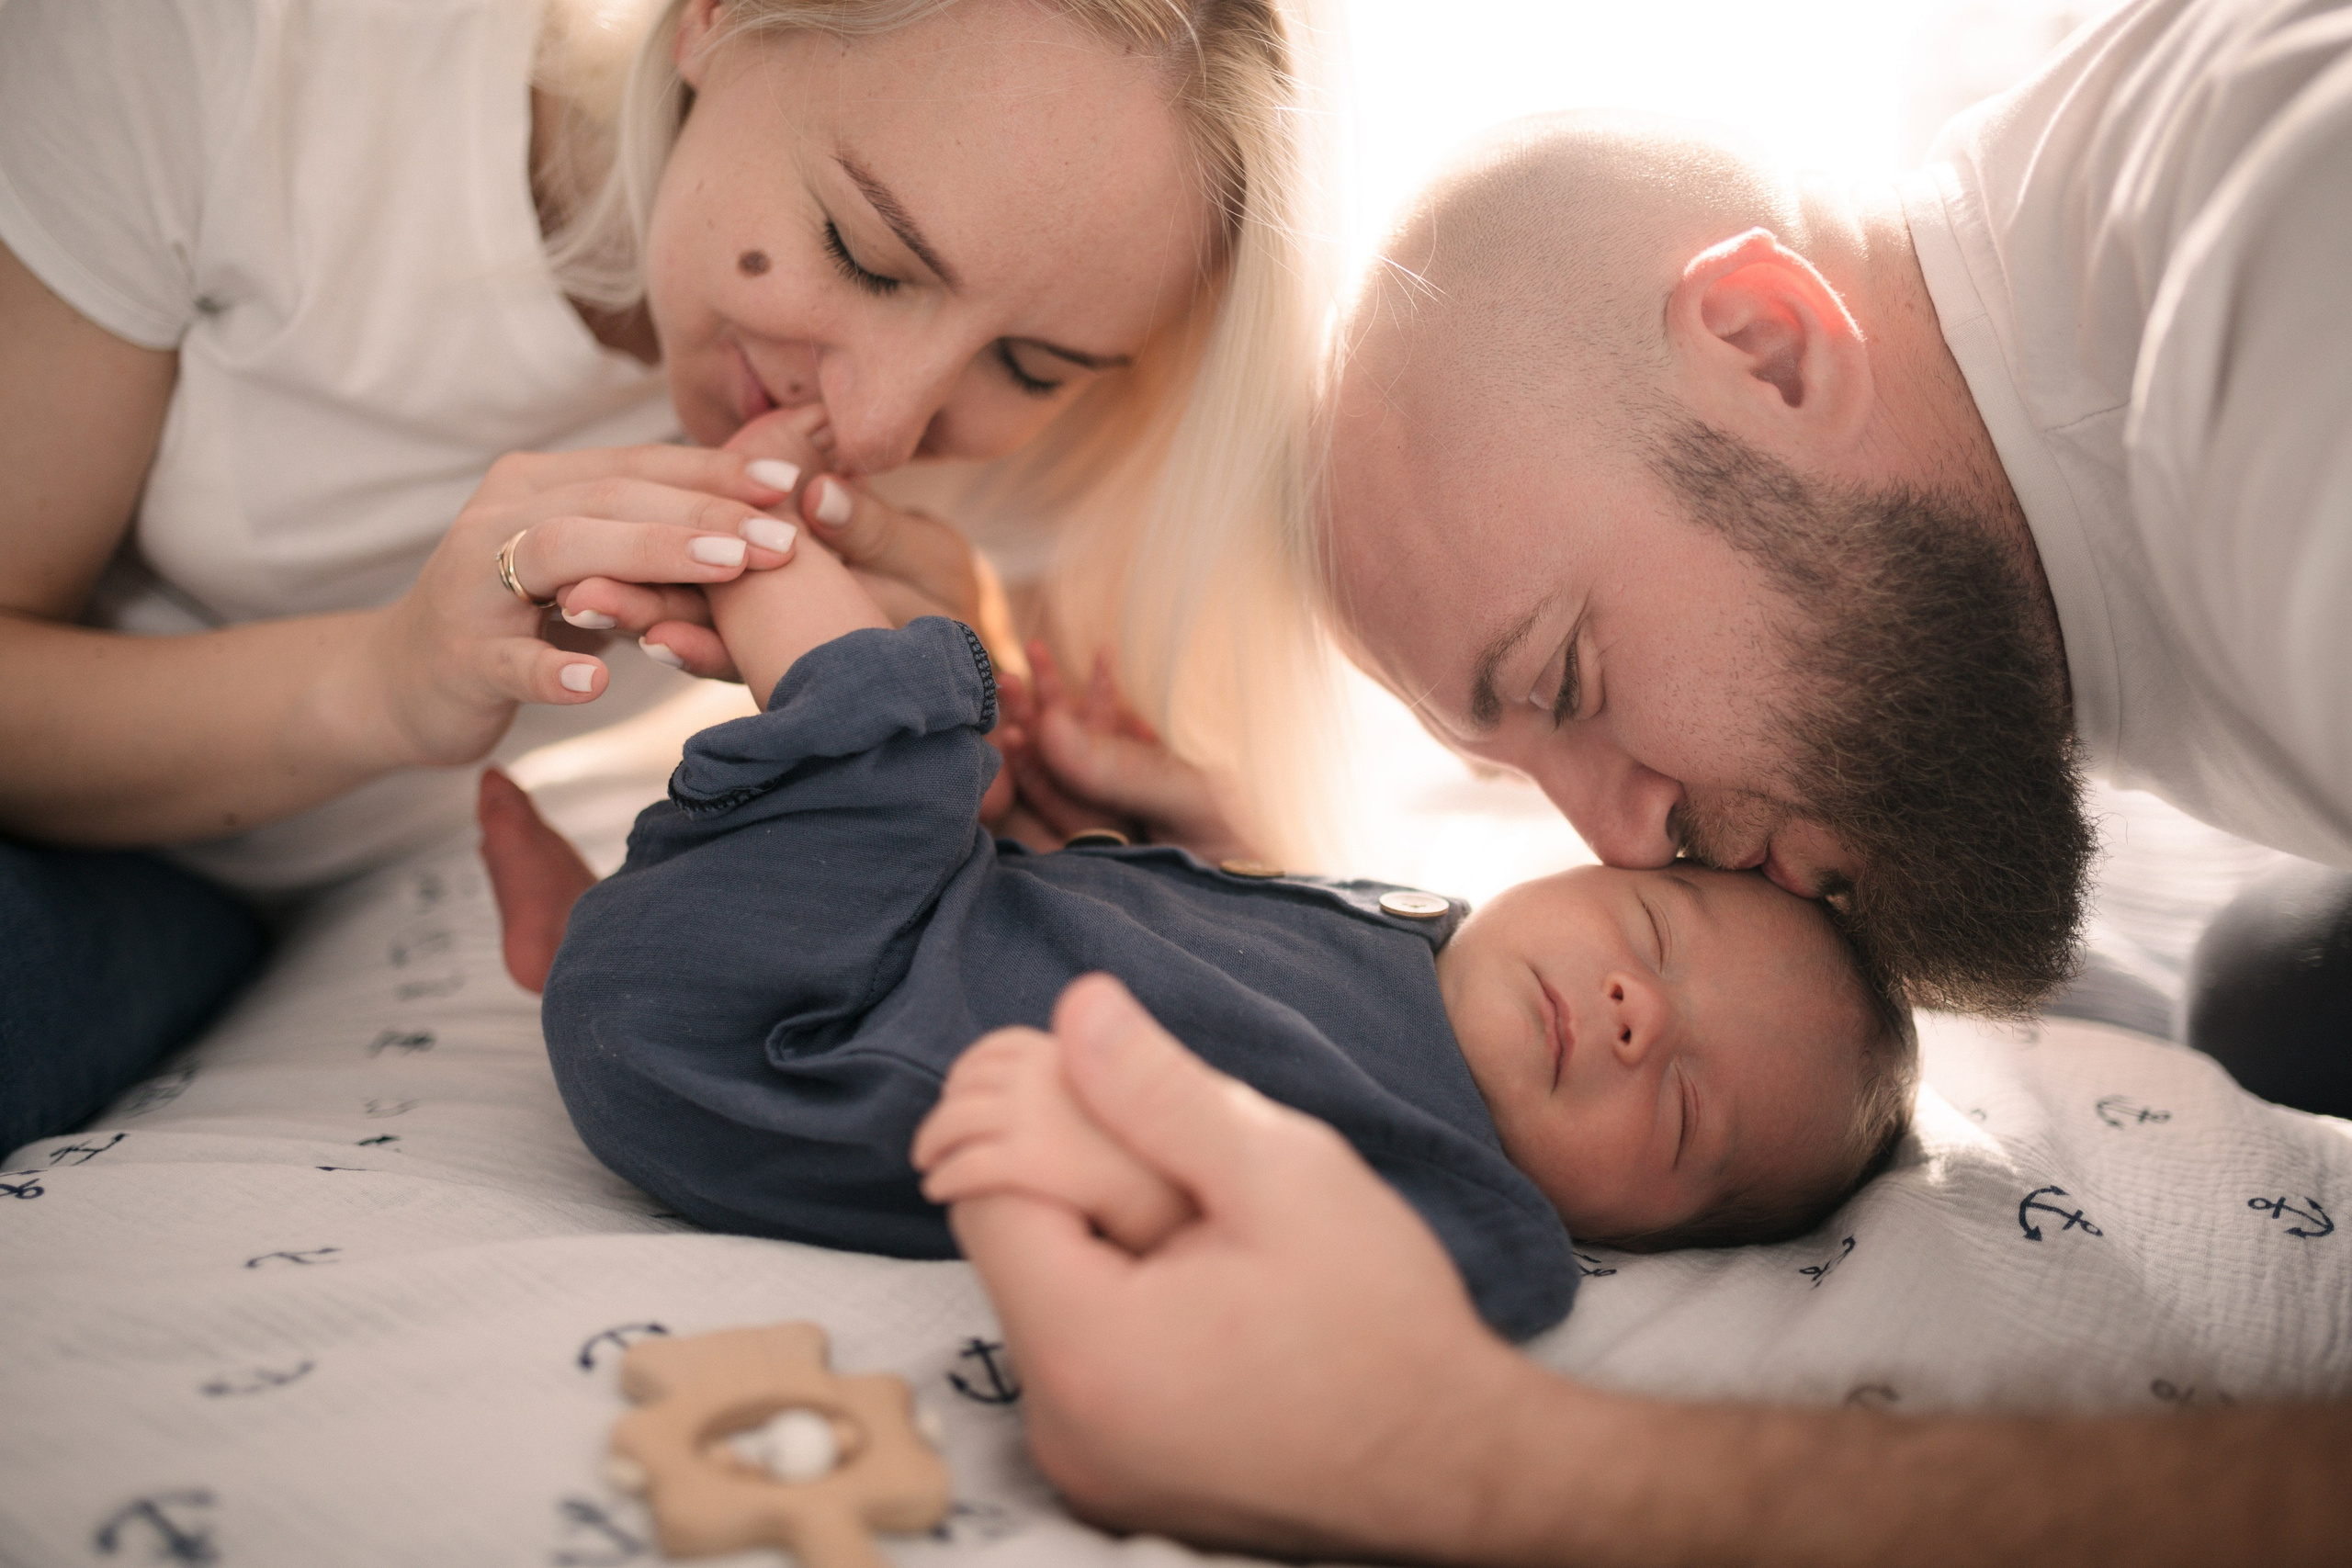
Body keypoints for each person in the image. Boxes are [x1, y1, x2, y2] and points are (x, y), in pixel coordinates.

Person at [941, 0, 2352, 1558]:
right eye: (1517, 771)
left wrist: (1451, 1455)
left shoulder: (2279, 329)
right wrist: (1283, 923)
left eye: (1567, 683)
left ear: (1767, 346)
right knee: (2271, 986)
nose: (1620, 837)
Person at [0, 0, 1335, 1155]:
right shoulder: (225, 62)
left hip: (270, 918)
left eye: (1028, 368)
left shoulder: (1064, 424)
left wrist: (987, 773)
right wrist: (383, 683)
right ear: (713, 17)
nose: (881, 430)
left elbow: (1091, 942)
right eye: (864, 254)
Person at [532, 522, 1918, 1338]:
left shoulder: (1465, 1206)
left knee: (912, 711)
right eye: (1653, 930)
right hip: (835, 951)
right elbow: (1207, 938)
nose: (1637, 1013)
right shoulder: (1417, 938)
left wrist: (1122, 1183)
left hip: (797, 1029)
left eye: (1683, 1110)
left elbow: (1345, 1291)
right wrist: (1176, 825)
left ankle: (746, 531)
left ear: (1649, 1240)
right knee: (958, 813)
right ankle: (579, 934)